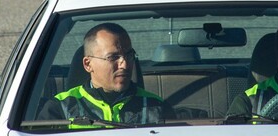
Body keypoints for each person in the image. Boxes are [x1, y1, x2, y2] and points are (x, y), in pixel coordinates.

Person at [38, 23, 175, 124]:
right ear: (88, 64)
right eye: (113, 57)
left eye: (129, 55)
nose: (125, 64)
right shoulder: (59, 108)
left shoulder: (157, 107)